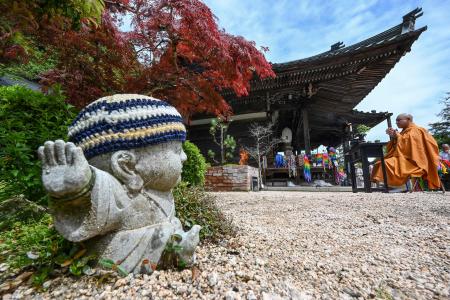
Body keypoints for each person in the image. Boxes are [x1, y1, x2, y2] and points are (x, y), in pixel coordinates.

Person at [38, 94, 201, 274]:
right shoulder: (119, 191)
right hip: (122, 256)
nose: (184, 157)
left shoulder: (160, 190)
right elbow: (98, 193)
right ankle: (171, 254)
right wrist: (80, 187)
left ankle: (174, 252)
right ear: (127, 166)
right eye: (177, 150)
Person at [371, 113, 440, 190]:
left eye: (399, 120)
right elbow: (398, 147)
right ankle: (391, 185)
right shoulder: (404, 132)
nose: (396, 123)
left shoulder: (416, 130)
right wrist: (394, 137)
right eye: (396, 121)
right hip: (404, 158)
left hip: (415, 162)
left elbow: (411, 148)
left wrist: (396, 135)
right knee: (378, 163)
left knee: (385, 163)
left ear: (408, 119)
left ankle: (399, 186)